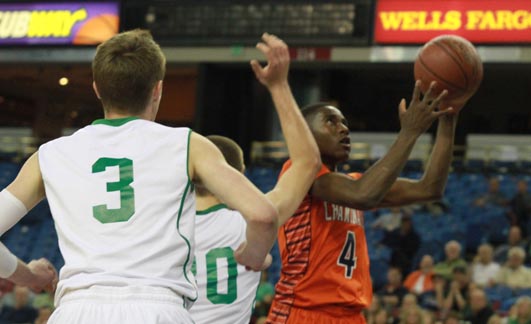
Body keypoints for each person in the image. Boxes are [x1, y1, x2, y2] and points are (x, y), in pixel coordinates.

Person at [0, 29, 280, 324]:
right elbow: (263, 215)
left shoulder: (50, 155)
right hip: (157, 307)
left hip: (77, 311)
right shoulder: (188, 145)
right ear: (158, 88)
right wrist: (253, 255)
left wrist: (28, 276)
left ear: (97, 88)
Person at [267, 75, 461, 324]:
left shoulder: (351, 183)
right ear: (305, 135)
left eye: (345, 122)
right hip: (304, 313)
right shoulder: (298, 173)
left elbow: (429, 189)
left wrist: (448, 120)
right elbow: (364, 195)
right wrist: (409, 132)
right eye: (331, 121)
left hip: (350, 315)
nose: (343, 128)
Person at [191, 34, 320, 324]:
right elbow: (307, 163)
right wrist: (279, 86)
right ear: (240, 176)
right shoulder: (252, 219)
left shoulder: (162, 221)